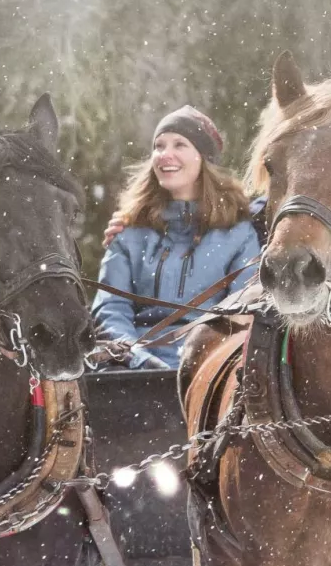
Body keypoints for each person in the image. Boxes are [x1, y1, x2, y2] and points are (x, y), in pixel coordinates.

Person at [91, 106, 261, 370]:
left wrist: (200, 361)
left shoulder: (238, 233)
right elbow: (110, 308)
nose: (165, 155)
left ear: (204, 158)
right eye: (159, 146)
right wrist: (137, 358)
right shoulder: (129, 231)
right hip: (130, 370)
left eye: (180, 144)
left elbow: (242, 311)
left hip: (209, 368)